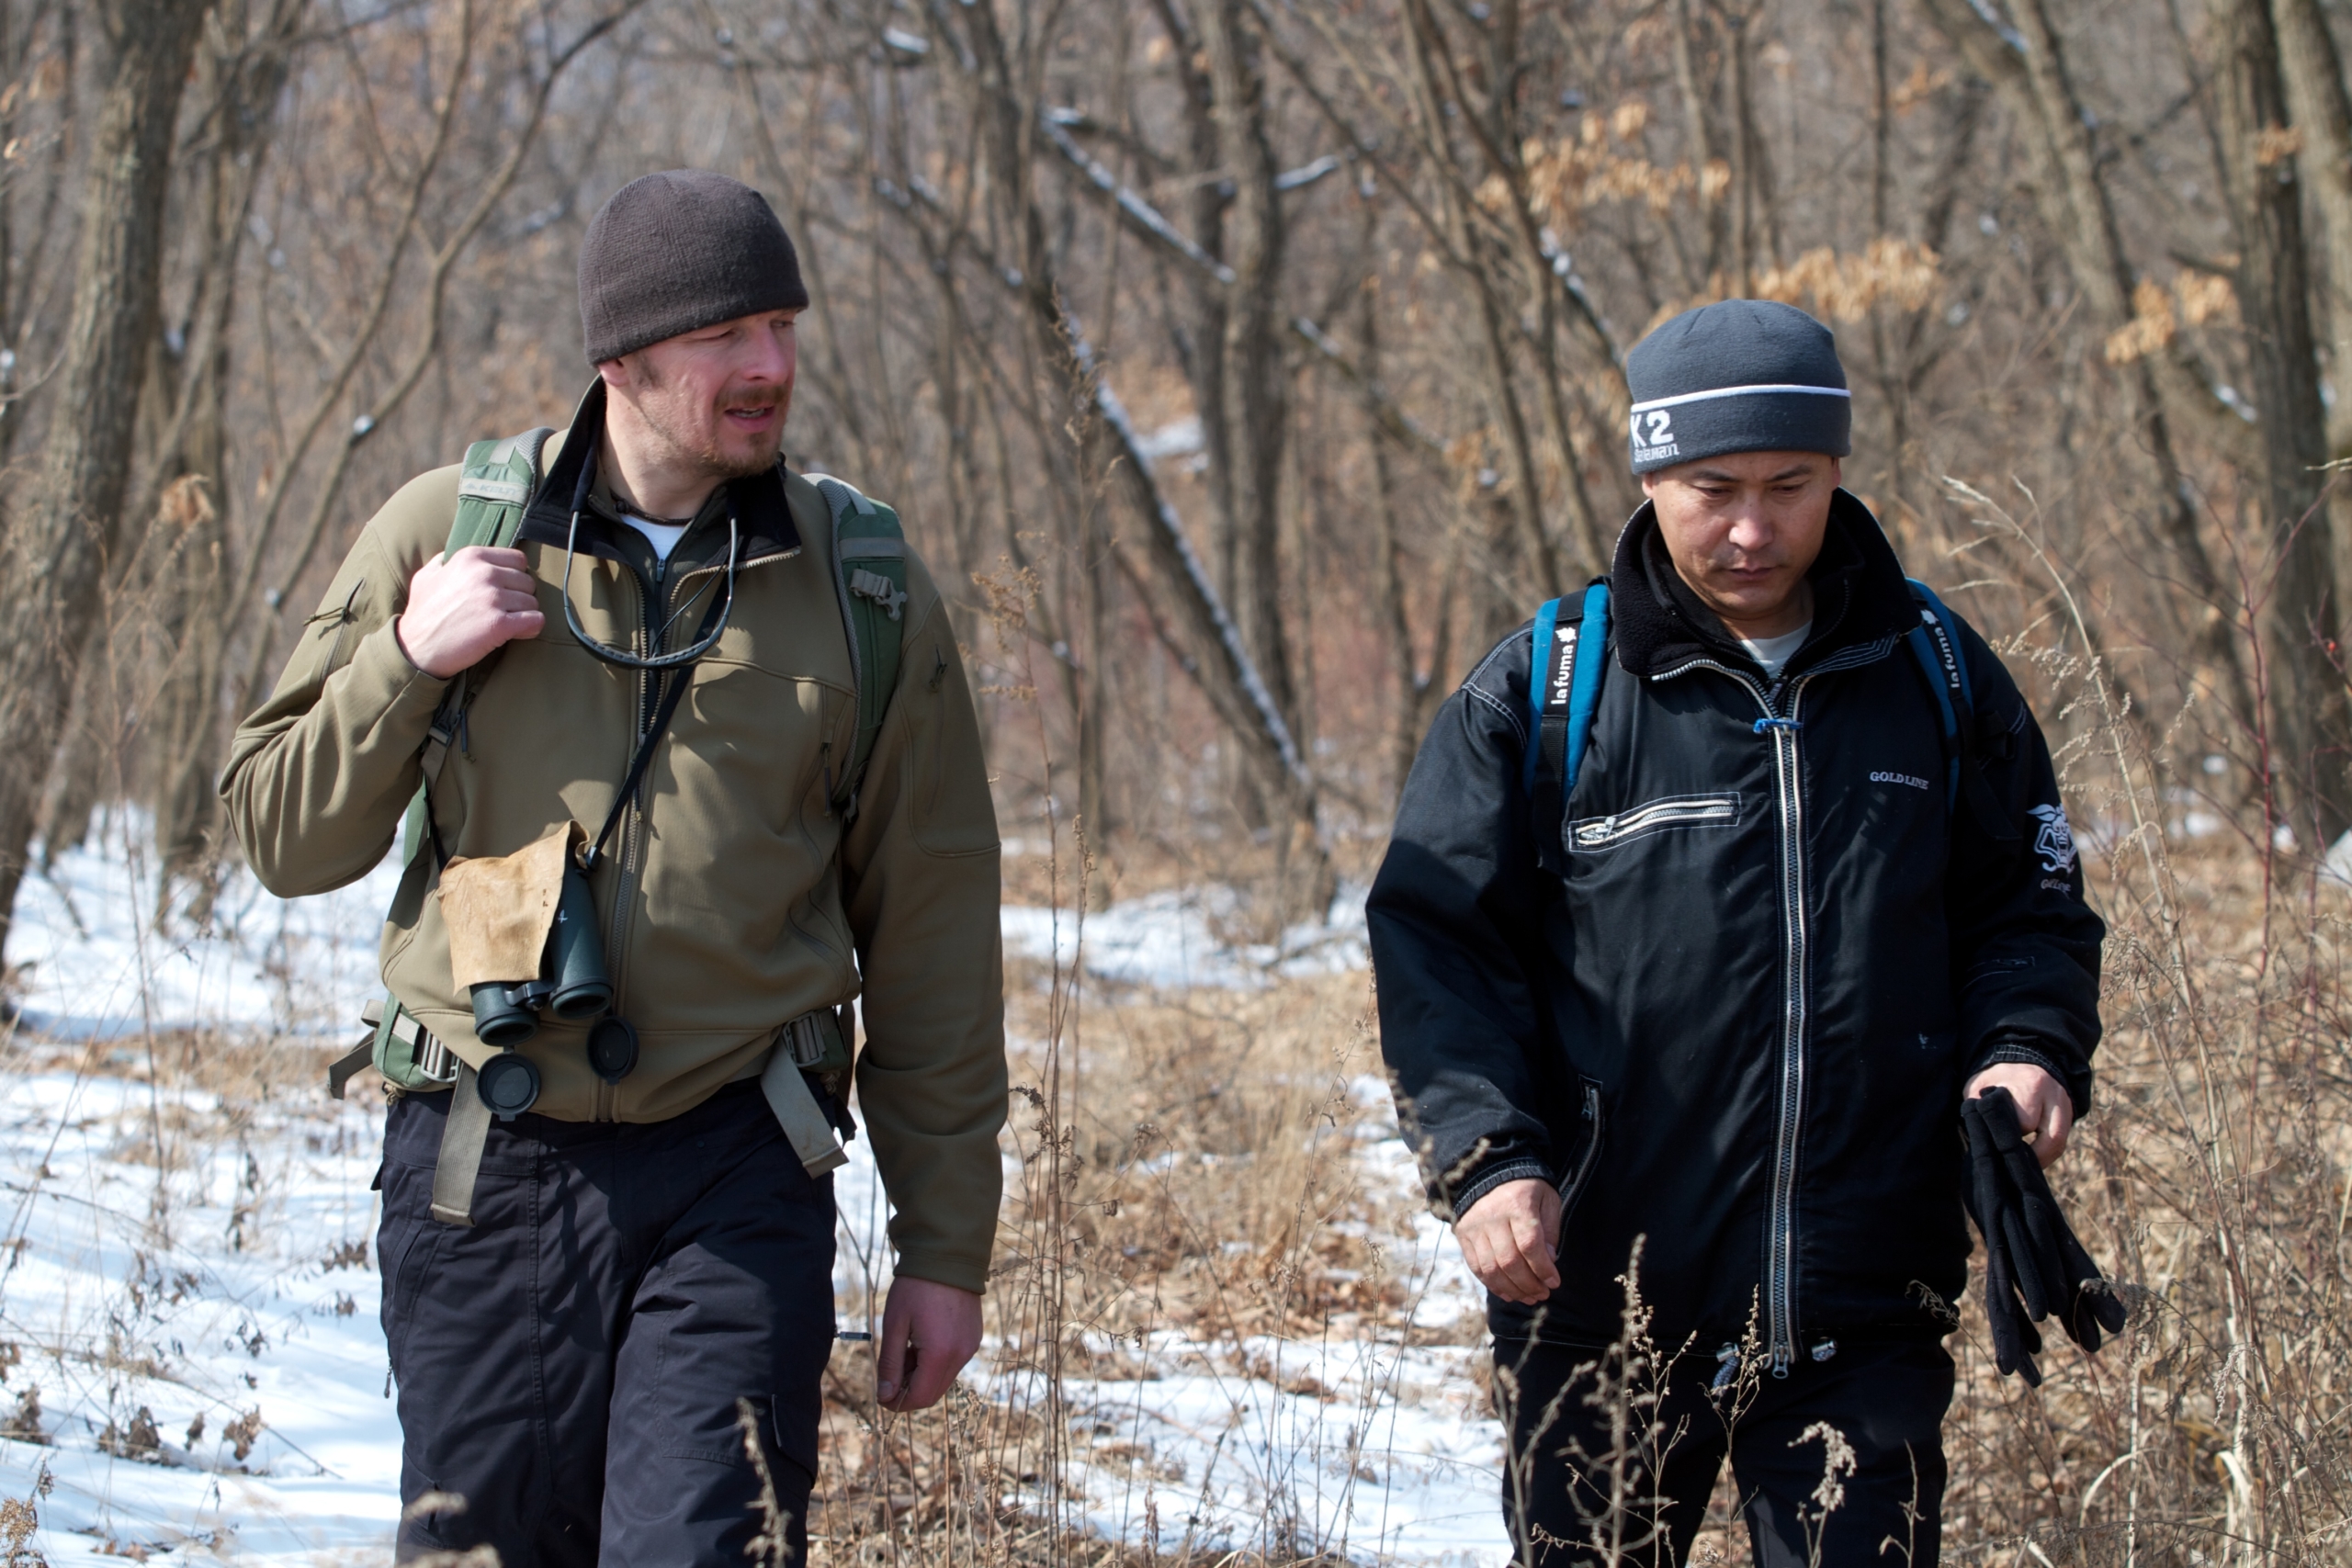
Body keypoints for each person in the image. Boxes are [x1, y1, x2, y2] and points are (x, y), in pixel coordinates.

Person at [221, 170, 1007, 1565]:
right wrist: (406, 664)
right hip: (486, 1154)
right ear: (622, 361)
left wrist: (945, 1250)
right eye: (728, 336)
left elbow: (933, 922)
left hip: (737, 1165)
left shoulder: (858, 580)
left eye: (782, 326)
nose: (771, 365)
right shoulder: (447, 529)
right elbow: (285, 834)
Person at [1366, 299, 2105, 1568]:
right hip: (1601, 1296)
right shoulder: (1543, 691)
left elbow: (2027, 903)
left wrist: (2026, 1044)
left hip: (1865, 1294)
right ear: (1649, 473)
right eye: (1711, 488)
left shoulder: (1936, 670)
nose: (1753, 529)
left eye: (1791, 485)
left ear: (1838, 473)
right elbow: (1439, 949)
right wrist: (1488, 1161)